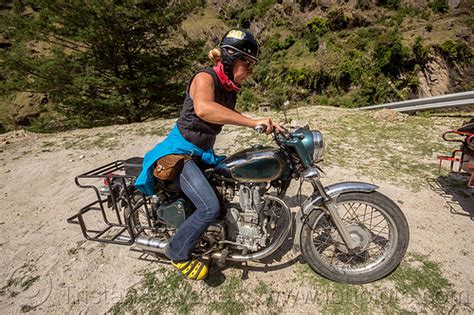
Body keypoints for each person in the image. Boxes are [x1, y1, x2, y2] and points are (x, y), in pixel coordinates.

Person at [135, 28, 282, 280]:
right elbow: (204, 109)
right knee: (209, 207)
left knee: (229, 180)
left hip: (201, 153)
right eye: (248, 64)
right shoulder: (204, 78)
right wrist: (251, 121)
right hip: (178, 154)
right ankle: (177, 251)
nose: (250, 71)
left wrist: (271, 126)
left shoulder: (228, 87)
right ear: (230, 58)